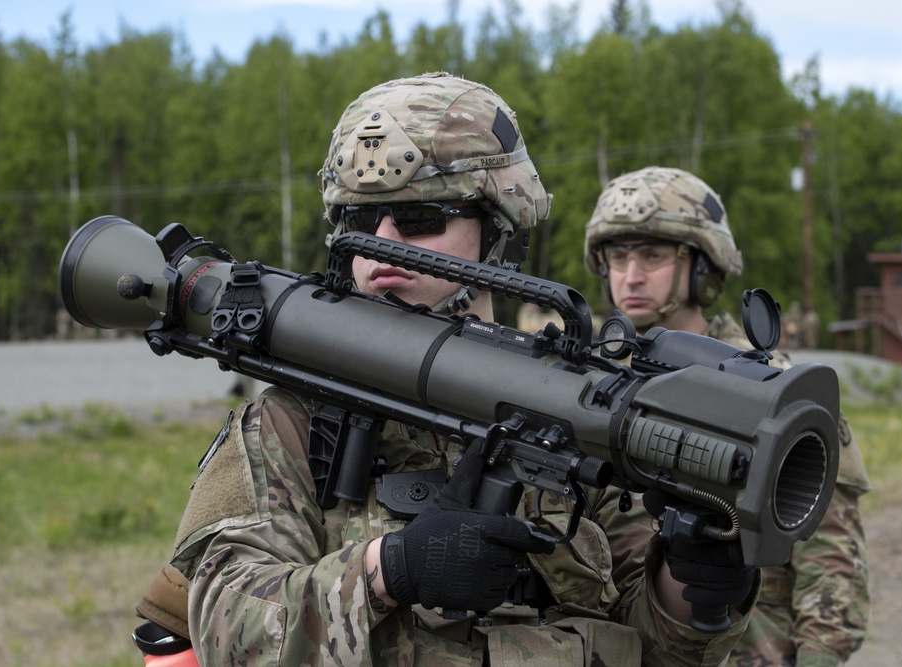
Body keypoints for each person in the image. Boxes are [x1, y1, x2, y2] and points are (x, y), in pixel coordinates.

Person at [165, 74, 760, 666]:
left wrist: (695, 585)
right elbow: (224, 627)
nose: (381, 247)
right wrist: (390, 570)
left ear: (497, 228)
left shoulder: (575, 409)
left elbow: (660, 648)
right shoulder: (290, 420)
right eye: (360, 222)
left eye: (420, 217)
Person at [583, 166, 871, 666]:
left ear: (702, 267)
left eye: (652, 255)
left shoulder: (773, 391)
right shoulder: (588, 376)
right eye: (618, 255)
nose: (630, 275)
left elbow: (832, 563)